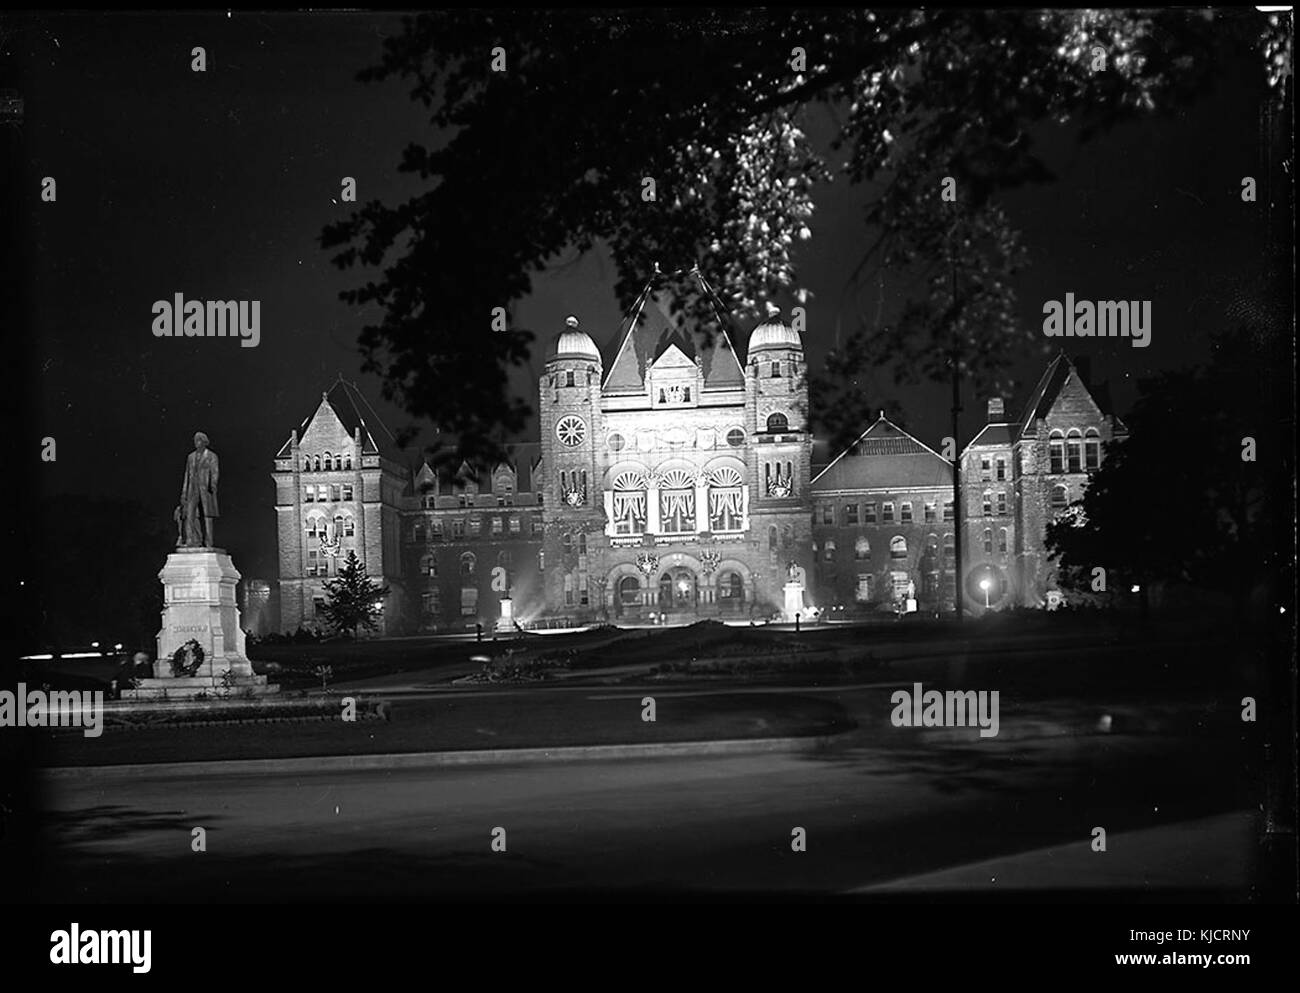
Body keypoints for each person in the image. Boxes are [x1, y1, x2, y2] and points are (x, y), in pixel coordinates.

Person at [180, 431, 220, 547]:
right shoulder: (190, 457)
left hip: (205, 489)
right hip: (192, 489)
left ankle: (209, 541)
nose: (196, 443)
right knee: (190, 514)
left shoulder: (211, 456)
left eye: (198, 440)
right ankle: (191, 540)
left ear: (204, 442)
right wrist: (184, 493)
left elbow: (215, 472)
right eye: (195, 440)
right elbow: (187, 475)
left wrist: (213, 485)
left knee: (207, 515)